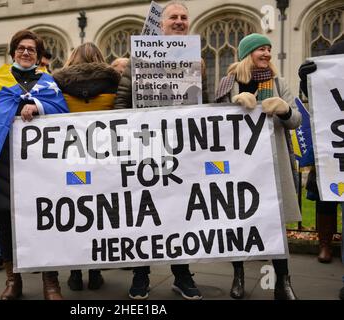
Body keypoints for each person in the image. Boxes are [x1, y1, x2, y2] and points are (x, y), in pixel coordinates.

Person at [0, 30, 68, 300]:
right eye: (21, 48)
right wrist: (15, 109)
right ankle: (12, 280)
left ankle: (50, 282)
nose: (26, 52)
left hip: (41, 166)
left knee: (45, 220)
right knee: (7, 223)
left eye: (32, 49)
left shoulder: (48, 82)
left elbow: (63, 113)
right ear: (13, 52)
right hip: (5, 163)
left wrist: (37, 106)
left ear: (39, 55)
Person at [114, 0, 206, 300]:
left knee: (180, 213)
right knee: (142, 213)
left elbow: (202, 105)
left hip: (182, 150)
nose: (179, 21)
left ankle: (182, 275)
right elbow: (121, 103)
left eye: (183, 17)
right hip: (144, 148)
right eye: (173, 18)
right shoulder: (137, 59)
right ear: (161, 23)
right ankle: (140, 275)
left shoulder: (197, 60)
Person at [215, 33, 301, 300]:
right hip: (239, 164)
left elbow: (297, 120)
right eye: (260, 49)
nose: (266, 53)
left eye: (269, 49)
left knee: (275, 223)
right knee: (238, 220)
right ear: (246, 54)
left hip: (273, 161)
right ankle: (238, 275)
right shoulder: (229, 82)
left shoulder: (279, 82)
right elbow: (213, 120)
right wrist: (234, 105)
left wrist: (285, 109)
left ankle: (282, 282)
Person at [53, 42, 121, 290]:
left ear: (72, 59)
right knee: (99, 215)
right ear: (100, 58)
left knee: (74, 214)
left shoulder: (58, 83)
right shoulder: (114, 82)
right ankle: (94, 271)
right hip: (104, 158)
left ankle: (74, 271)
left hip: (70, 157)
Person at [298, 39, 344, 299]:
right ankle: (324, 244)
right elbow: (318, 95)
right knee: (325, 197)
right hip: (330, 144)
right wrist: (306, 79)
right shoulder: (335, 51)